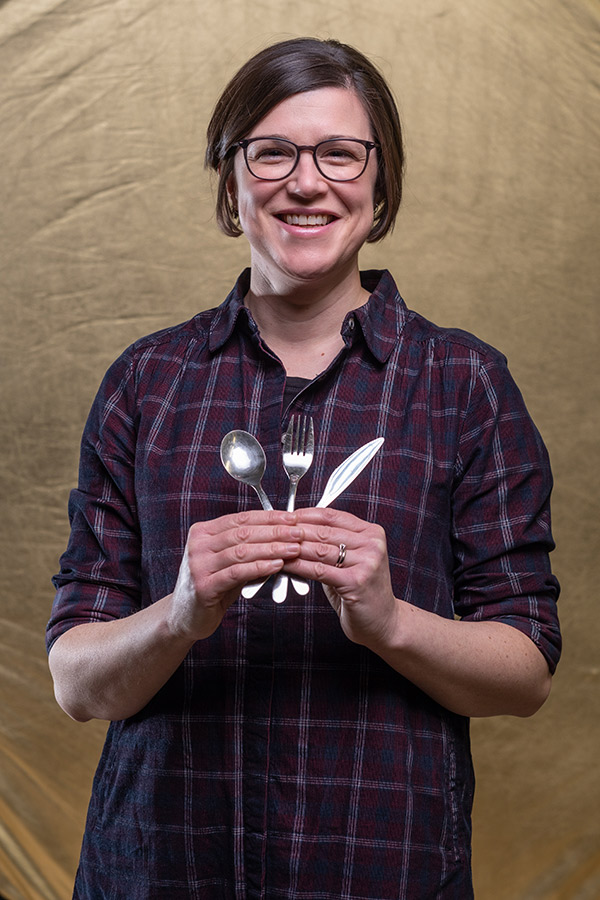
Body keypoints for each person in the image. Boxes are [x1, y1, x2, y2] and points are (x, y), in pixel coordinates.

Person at [47, 37, 561, 900]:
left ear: (380, 179)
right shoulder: (148, 381)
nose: (306, 180)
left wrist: (392, 622)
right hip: (158, 871)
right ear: (232, 178)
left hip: (383, 870)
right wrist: (176, 617)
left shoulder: (463, 383)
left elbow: (527, 671)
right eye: (272, 151)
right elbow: (74, 681)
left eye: (339, 153)